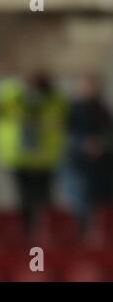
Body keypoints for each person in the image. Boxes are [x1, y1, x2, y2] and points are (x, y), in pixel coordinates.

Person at [0, 71, 68, 235]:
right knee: (24, 202)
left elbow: (63, 118)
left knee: (46, 202)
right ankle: (27, 236)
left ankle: (46, 237)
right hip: (19, 158)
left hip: (45, 159)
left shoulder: (54, 97)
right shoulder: (10, 93)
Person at [64, 74, 112, 236]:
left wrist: (102, 144)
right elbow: (64, 135)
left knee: (103, 206)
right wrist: (84, 145)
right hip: (80, 167)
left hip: (102, 167)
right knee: (82, 207)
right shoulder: (73, 110)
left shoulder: (102, 110)